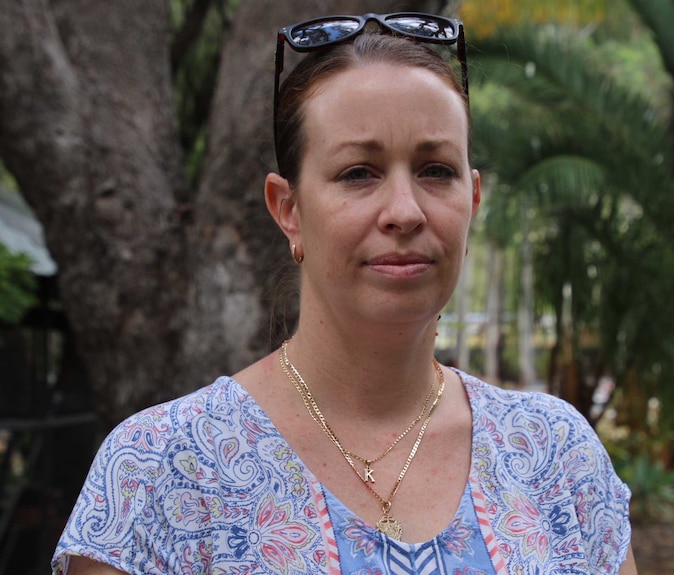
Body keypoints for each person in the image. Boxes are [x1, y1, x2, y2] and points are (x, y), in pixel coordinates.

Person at [53, 12, 636, 575]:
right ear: (289, 210)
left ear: (473, 200)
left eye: (436, 170)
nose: (405, 212)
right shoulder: (160, 470)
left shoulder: (555, 457)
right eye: (358, 173)